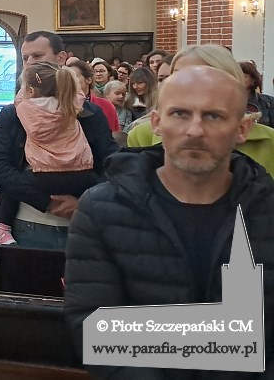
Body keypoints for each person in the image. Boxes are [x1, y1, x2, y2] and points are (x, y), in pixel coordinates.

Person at [65, 65, 274, 379]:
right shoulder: (101, 210)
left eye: (213, 116)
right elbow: (95, 329)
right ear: (157, 123)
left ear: (242, 129)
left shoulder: (266, 210)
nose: (195, 130)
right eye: (180, 114)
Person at [0, 31, 118, 248]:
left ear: (61, 58)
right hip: (29, 222)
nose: (29, 63)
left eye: (37, 56)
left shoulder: (87, 112)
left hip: (84, 222)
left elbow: (111, 163)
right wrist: (46, 202)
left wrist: (83, 202)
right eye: (25, 58)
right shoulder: (14, 113)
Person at [127, 45, 274, 175]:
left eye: (201, 77)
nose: (186, 85)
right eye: (177, 76)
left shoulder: (268, 141)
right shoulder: (142, 135)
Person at [241, 61, 274, 127]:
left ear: (253, 80)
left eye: (243, 76)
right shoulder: (228, 102)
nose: (238, 78)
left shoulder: (269, 102)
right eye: (235, 75)